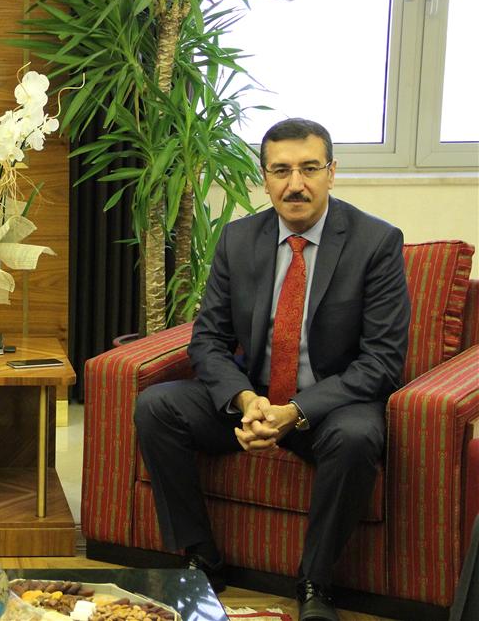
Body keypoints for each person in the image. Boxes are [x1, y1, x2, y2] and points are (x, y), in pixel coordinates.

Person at [134, 118, 410, 621]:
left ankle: (315, 583)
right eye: (281, 171)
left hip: (331, 405)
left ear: (331, 173)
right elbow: (208, 340)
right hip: (255, 397)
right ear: (265, 178)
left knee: (357, 437)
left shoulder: (376, 243)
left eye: (309, 169)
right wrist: (246, 401)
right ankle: (202, 558)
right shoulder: (239, 239)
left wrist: (296, 410)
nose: (295, 184)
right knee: (157, 405)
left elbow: (382, 361)